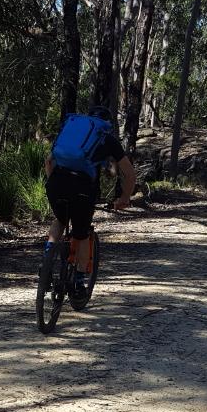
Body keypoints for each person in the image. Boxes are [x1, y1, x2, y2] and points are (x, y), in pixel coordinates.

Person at [44, 105, 137, 299]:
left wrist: (53, 182)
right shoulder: (108, 138)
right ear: (107, 124)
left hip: (56, 181)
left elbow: (48, 161)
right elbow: (128, 174)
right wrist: (125, 198)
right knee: (82, 234)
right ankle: (78, 282)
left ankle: (47, 260)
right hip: (83, 189)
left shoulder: (71, 131)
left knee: (60, 219)